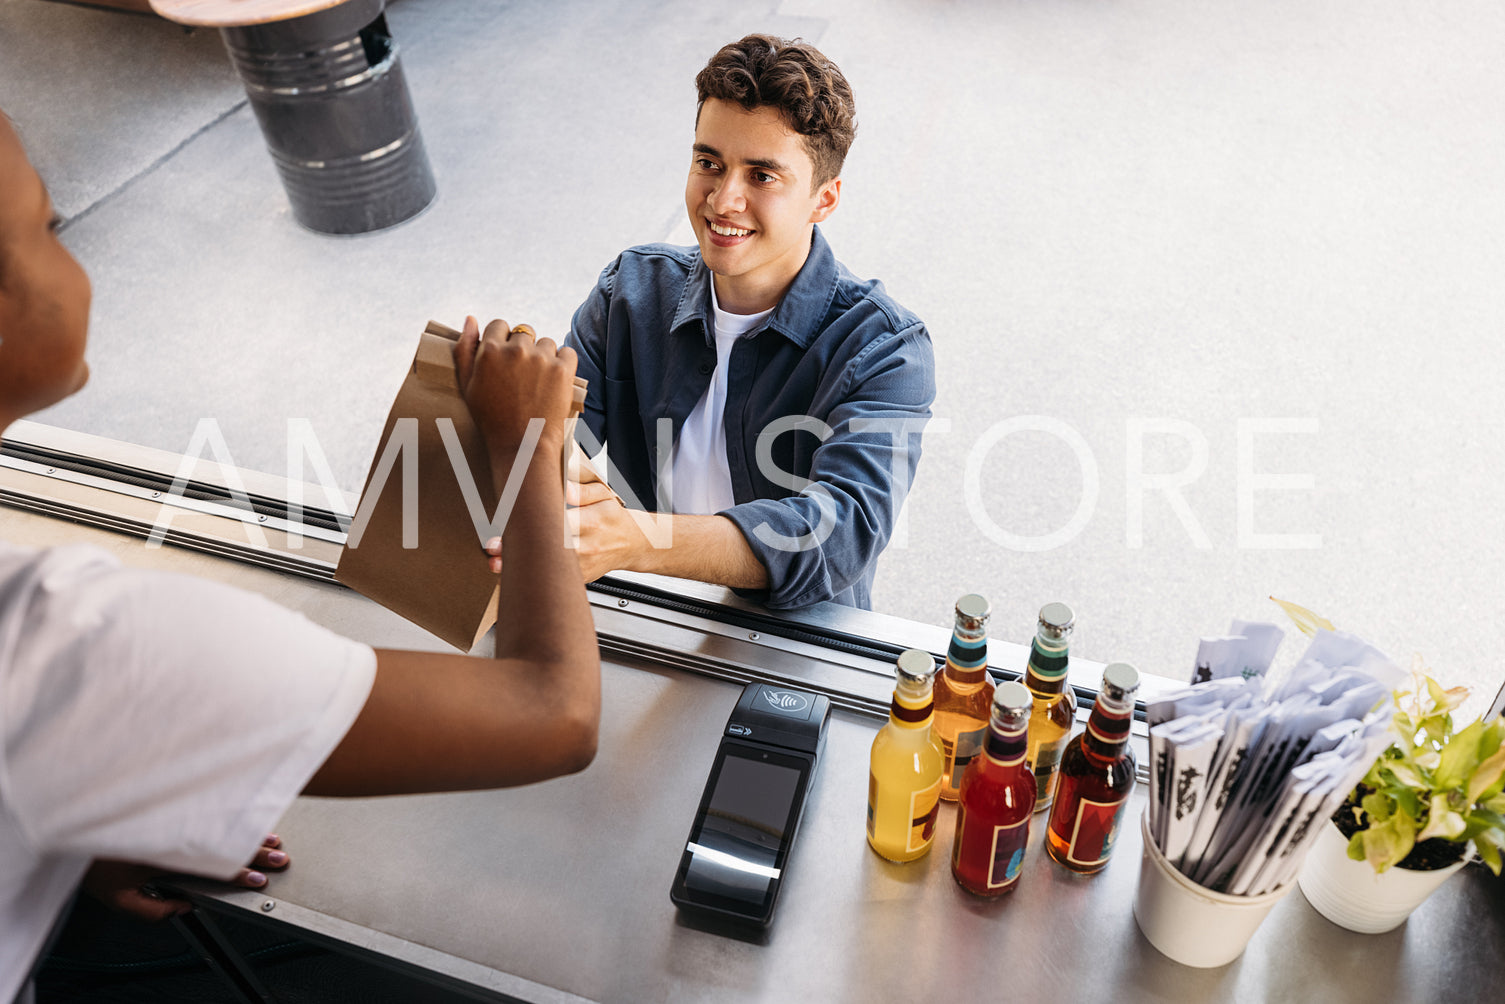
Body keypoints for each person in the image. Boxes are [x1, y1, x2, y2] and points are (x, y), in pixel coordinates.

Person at [0, 111, 599, 1001]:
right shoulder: (70, 646)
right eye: (48, 228)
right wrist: (527, 447)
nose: (73, 258)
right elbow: (555, 712)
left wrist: (64, 815)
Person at [538, 33, 936, 610]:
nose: (723, 200)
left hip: (798, 638)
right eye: (709, 163)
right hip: (661, 605)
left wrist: (636, 538)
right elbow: (557, 434)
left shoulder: (884, 350)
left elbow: (842, 531)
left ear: (824, 200)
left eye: (762, 176)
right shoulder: (631, 291)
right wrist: (536, 431)